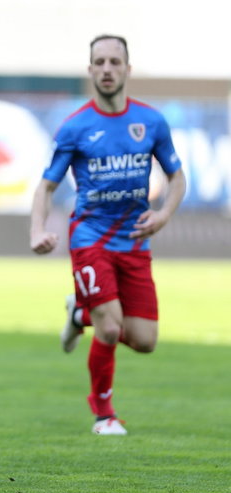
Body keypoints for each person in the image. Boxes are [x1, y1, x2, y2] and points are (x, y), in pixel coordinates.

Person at [30, 35, 186, 435]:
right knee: (112, 328)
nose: (107, 69)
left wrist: (164, 214)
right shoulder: (76, 126)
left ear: (127, 69)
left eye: (114, 62)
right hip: (91, 237)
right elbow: (47, 186)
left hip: (135, 240)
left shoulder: (151, 122)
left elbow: (177, 177)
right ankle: (104, 414)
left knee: (146, 340)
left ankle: (80, 311)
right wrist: (38, 230)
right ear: (90, 70)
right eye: (99, 62)